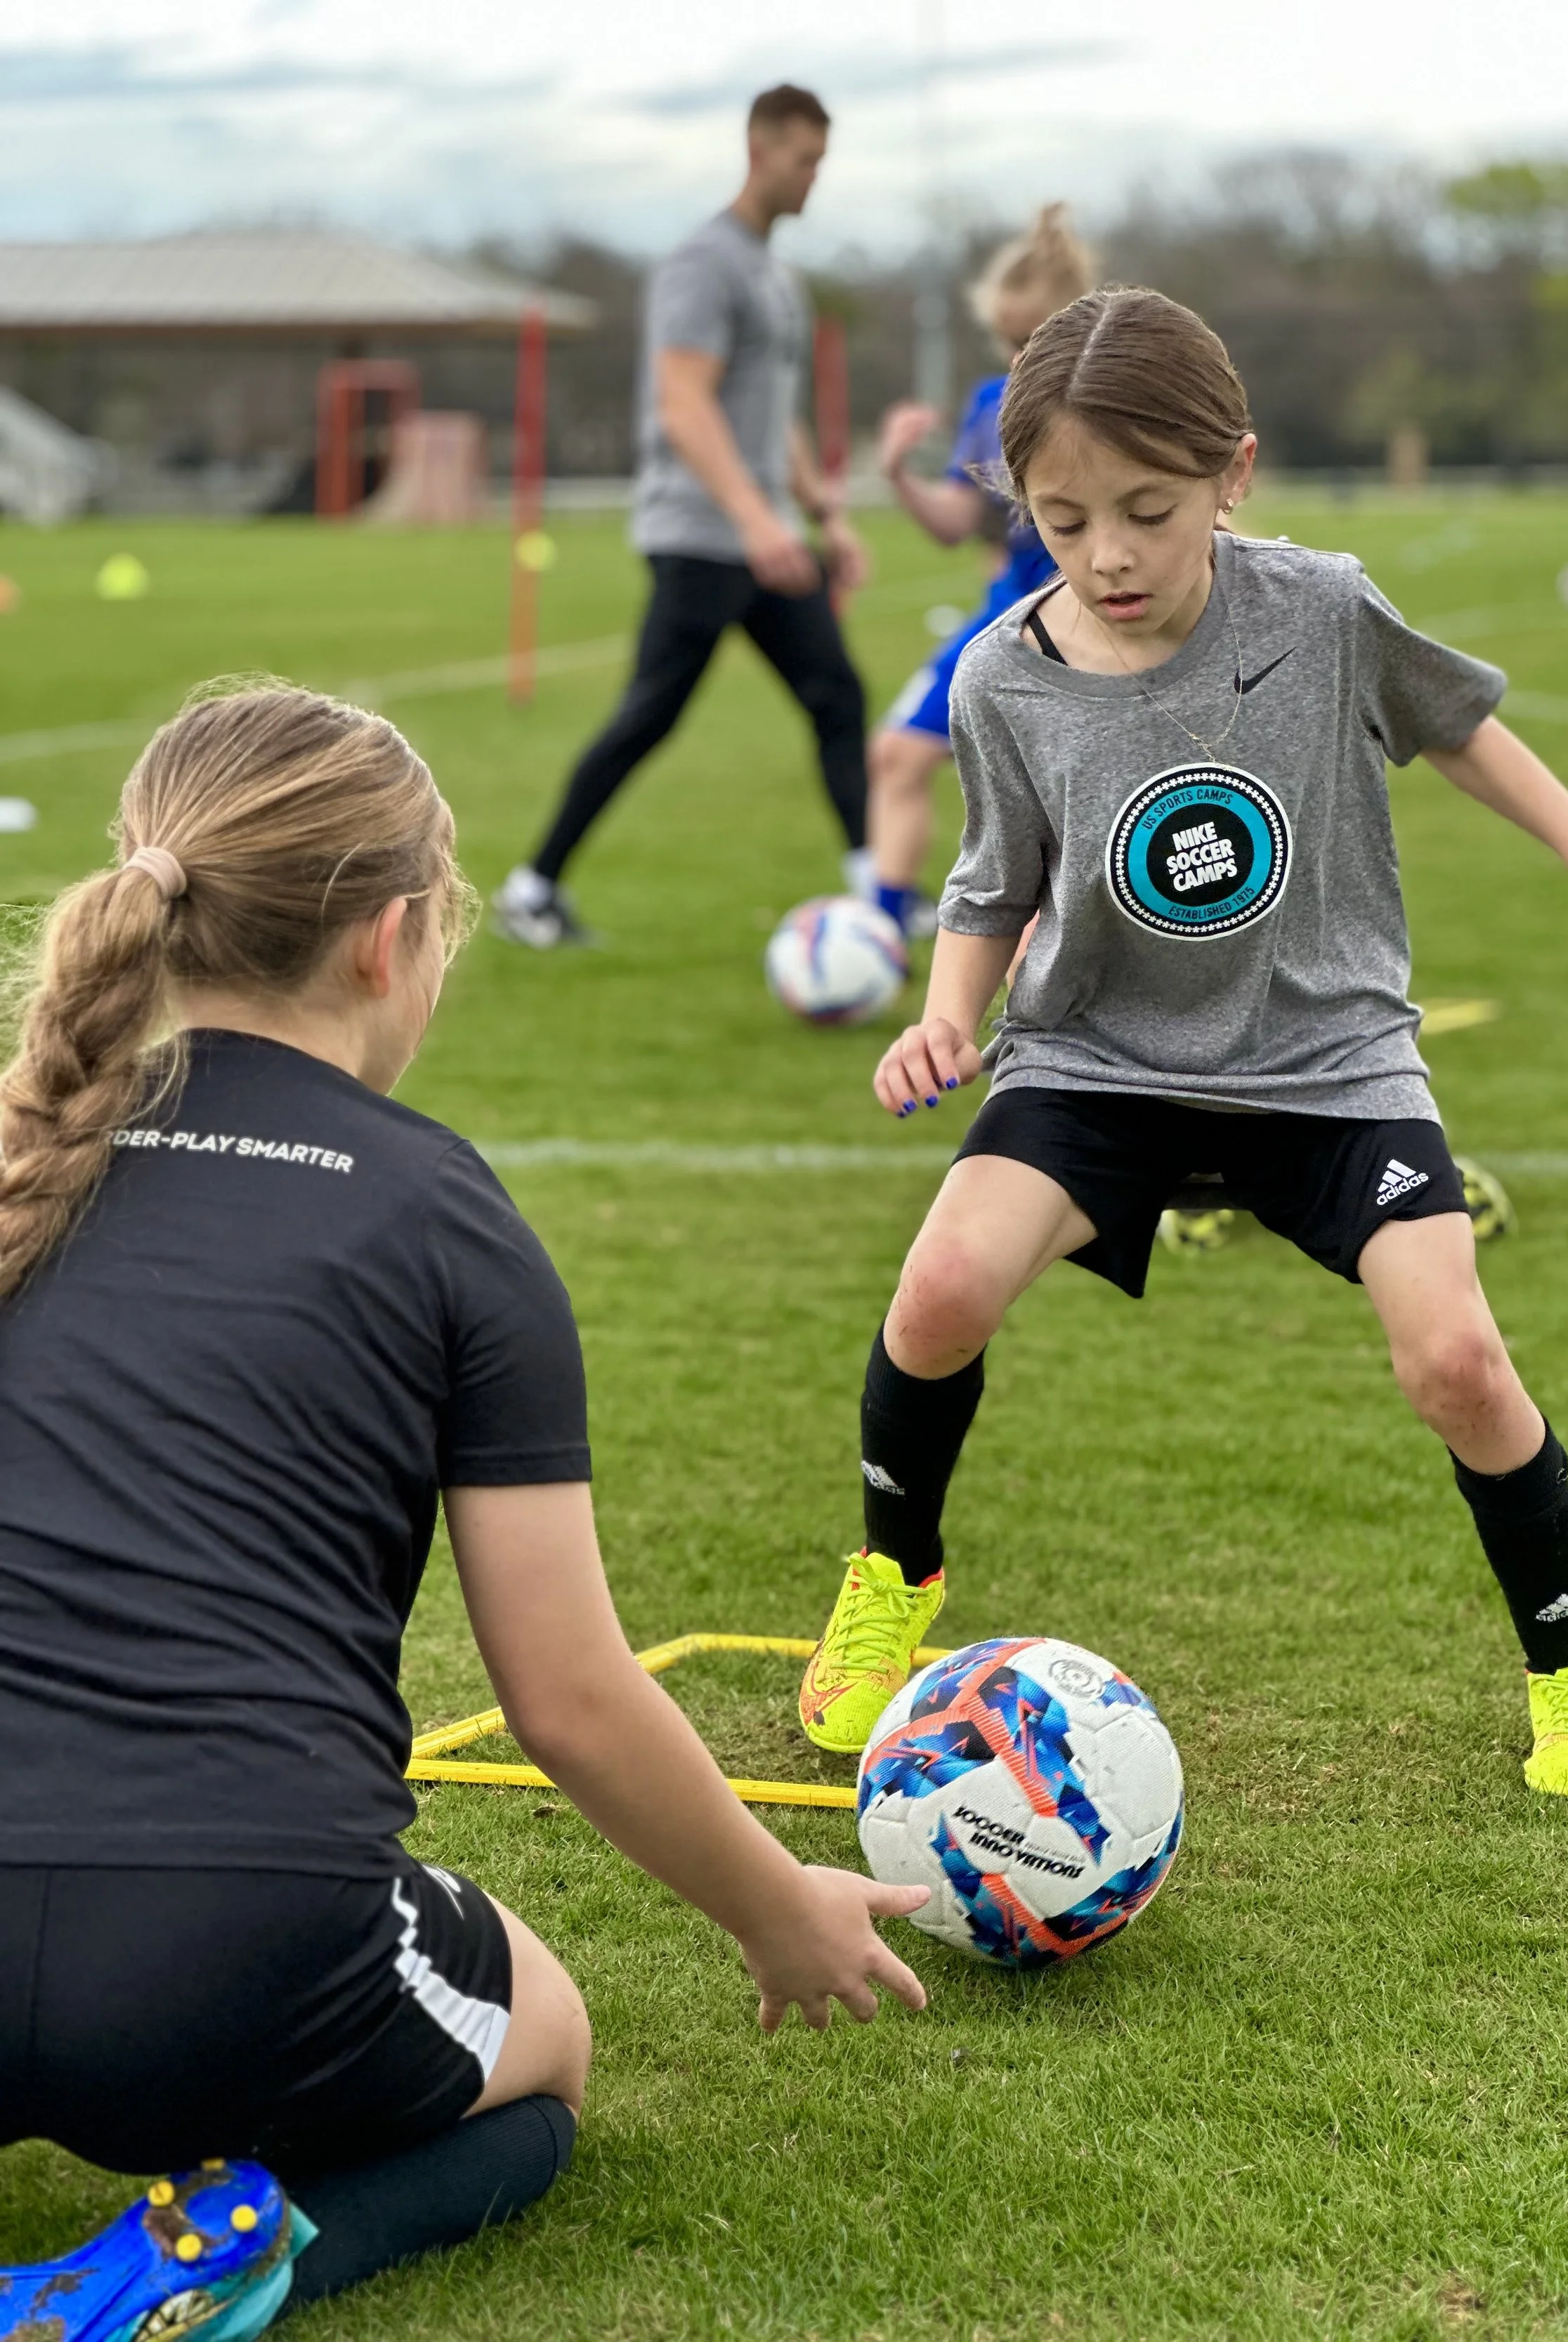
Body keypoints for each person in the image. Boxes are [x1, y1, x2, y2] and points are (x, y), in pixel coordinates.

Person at [0, 684, 925, 2321]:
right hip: (225, 1960)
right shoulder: (438, 1209)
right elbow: (567, 1698)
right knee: (548, 2035)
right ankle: (203, 2271)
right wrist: (782, 1916)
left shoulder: (26, 1157)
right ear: (392, 937)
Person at [795, 287, 1568, 1800]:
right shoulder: (1001, 675)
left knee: (1451, 1354)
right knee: (938, 1289)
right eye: (1060, 519)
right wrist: (942, 1016)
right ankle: (889, 1571)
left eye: (1145, 510)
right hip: (1093, 1060)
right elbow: (991, 882)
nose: (1105, 553)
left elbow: (1451, 721)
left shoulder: (1313, 606)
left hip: (1324, 1062)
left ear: (1231, 475)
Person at [496, 84, 869, 949]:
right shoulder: (704, 264)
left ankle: (875, 894)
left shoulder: (777, 278)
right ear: (760, 150)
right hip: (702, 539)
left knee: (836, 696)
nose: (815, 177)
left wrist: (822, 514)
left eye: (822, 161)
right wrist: (754, 518)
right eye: (805, 159)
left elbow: (771, 412)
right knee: (650, 713)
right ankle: (531, 888)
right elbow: (683, 402)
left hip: (762, 535)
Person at [861, 207, 1096, 944]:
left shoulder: (1106, 402)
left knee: (1054, 811)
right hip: (1006, 617)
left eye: (1035, 341)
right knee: (897, 755)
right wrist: (898, 473)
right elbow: (954, 524)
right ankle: (880, 936)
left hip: (1088, 623)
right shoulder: (990, 406)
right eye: (1008, 341)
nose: (1020, 358)